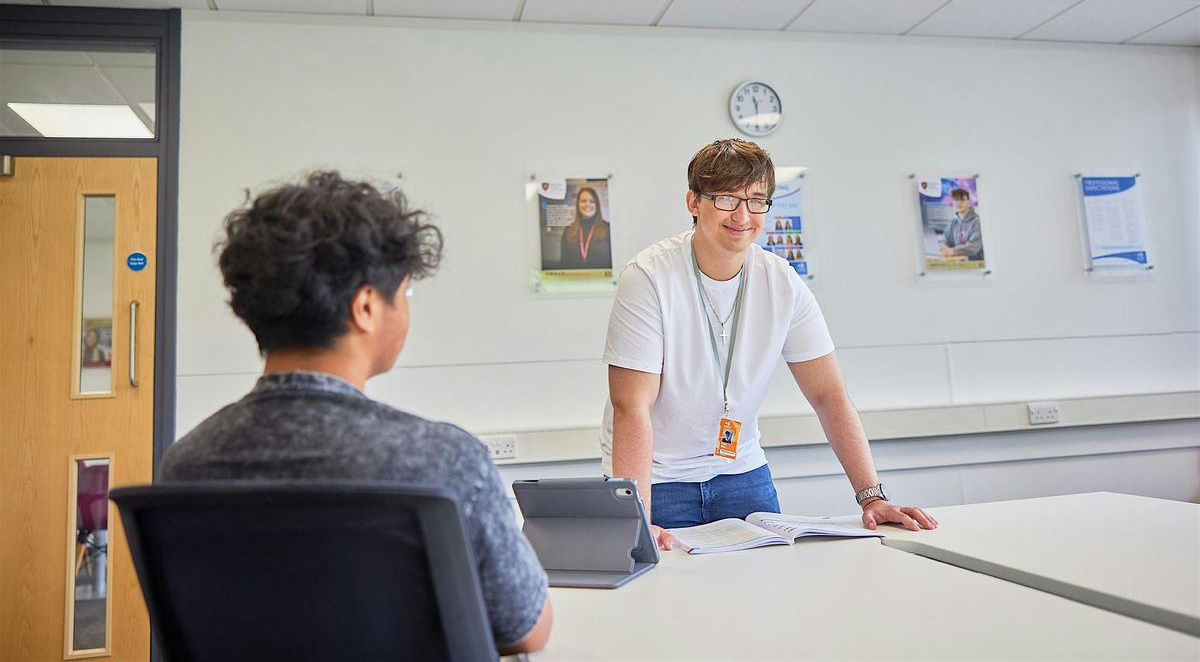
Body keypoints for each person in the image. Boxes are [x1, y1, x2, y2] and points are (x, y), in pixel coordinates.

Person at [158, 171, 552, 655]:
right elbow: (524, 628)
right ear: (366, 307)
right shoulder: (443, 460)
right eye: (403, 294)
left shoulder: (186, 463)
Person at [601, 139, 937, 550]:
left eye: (757, 200)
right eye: (727, 199)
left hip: (742, 475)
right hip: (658, 480)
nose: (743, 215)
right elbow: (630, 405)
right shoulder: (649, 277)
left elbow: (828, 395)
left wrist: (872, 496)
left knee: (765, 597)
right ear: (694, 201)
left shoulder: (781, 282)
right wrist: (639, 518)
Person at [557, 186, 612, 270]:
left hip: (601, 281)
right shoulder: (568, 230)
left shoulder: (608, 229)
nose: (587, 204)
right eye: (583, 201)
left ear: (596, 205)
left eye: (592, 201)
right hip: (575, 280)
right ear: (578, 204)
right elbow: (563, 263)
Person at [940, 187, 984, 261]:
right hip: (959, 263)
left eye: (962, 200)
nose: (959, 203)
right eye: (956, 200)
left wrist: (953, 251)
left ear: (968, 202)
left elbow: (973, 246)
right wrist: (943, 247)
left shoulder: (977, 221)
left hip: (976, 264)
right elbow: (945, 240)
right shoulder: (953, 222)